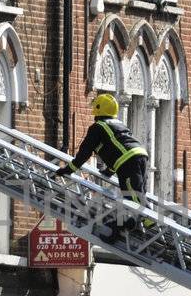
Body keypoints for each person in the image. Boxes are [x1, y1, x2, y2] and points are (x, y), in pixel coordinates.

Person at [59, 94, 151, 233]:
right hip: (140, 155)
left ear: (98, 108)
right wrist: (110, 171)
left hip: (128, 160)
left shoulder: (98, 127)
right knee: (138, 192)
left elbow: (85, 152)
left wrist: (69, 169)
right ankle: (140, 223)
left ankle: (147, 223)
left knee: (132, 195)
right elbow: (115, 147)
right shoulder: (118, 124)